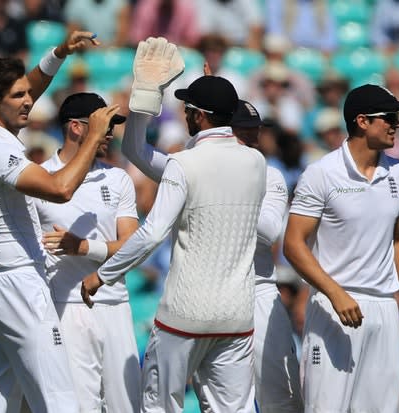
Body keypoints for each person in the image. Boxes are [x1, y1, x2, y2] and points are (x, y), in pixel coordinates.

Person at [82, 37, 267, 413]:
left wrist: (103, 274)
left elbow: (151, 231)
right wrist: (205, 93)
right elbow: (147, 153)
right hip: (236, 316)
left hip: (184, 315)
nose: (184, 115)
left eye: (188, 110)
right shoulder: (257, 164)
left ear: (197, 116)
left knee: (158, 408)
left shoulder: (184, 165)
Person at [0, 31, 122, 413]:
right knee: (60, 402)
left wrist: (59, 52)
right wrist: (93, 137)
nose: (28, 102)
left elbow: (22, 87)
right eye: (18, 97)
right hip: (20, 286)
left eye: (27, 95)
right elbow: (60, 188)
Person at [122, 92, 303, 410]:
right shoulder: (194, 166)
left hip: (257, 293)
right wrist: (144, 96)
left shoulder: (268, 173)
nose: (256, 136)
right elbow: (136, 150)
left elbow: (271, 230)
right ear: (226, 130)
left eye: (257, 128)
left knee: (282, 400)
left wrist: (227, 195)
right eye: (246, 129)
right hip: (206, 298)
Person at [283, 84, 399, 412]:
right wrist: (335, 293)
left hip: (384, 308)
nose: (396, 124)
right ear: (362, 121)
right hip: (335, 308)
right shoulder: (322, 173)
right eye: (388, 117)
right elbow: (293, 244)